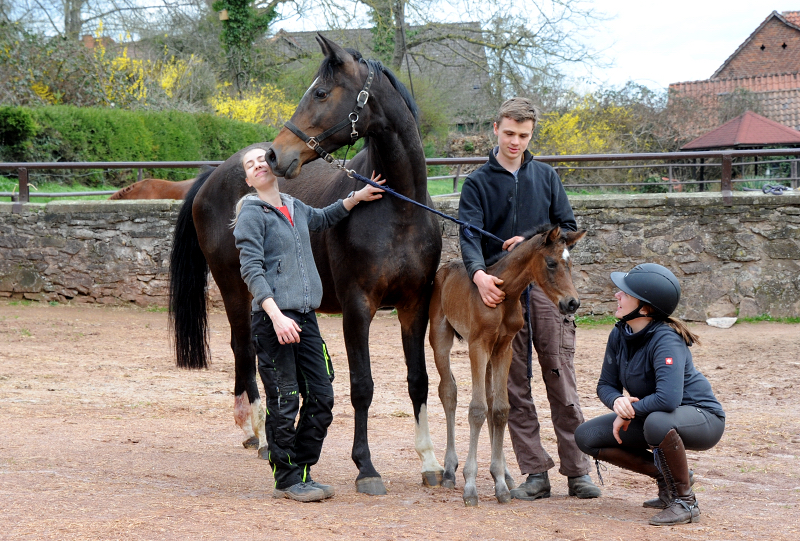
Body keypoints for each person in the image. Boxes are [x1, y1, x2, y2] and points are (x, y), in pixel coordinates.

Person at [458, 97, 601, 500]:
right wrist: (479, 274)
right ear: (495, 129)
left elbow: (568, 227)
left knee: (559, 374)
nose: (515, 141)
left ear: (531, 133)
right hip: (500, 290)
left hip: (546, 286)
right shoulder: (477, 182)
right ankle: (535, 472)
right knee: (513, 382)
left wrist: (533, 239)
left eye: (523, 135)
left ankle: (577, 471)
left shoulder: (546, 176)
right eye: (509, 133)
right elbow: (468, 234)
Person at [232, 147, 385, 502]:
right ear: (247, 179)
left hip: (305, 319)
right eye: (250, 165)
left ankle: (300, 470)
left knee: (322, 395)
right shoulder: (251, 215)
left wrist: (357, 196)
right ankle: (286, 480)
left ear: (273, 168)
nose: (258, 166)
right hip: (274, 321)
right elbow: (251, 270)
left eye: (262, 160)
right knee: (285, 400)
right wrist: (275, 314)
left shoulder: (295, 206)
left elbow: (325, 217)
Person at [574, 263, 725, 526]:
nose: (616, 295)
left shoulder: (666, 338)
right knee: (587, 436)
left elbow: (668, 400)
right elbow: (605, 385)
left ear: (644, 307)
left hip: (703, 417)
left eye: (625, 293)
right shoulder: (620, 333)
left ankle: (686, 503)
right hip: (655, 412)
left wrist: (630, 411)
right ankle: (669, 481)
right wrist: (618, 402)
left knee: (657, 421)